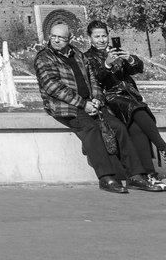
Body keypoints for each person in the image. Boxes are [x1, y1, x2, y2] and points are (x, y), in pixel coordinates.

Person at [34, 22, 158, 193]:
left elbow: (93, 79)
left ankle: (136, 176)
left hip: (90, 103)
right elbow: (52, 86)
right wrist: (83, 104)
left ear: (69, 39)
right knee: (90, 128)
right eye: (53, 36)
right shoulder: (44, 57)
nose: (56, 40)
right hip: (65, 106)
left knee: (119, 128)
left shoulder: (77, 54)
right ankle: (106, 177)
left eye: (61, 38)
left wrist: (97, 99)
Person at [85, 20, 166, 182]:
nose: (102, 40)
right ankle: (165, 150)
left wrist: (129, 58)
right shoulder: (87, 57)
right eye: (97, 36)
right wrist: (107, 65)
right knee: (137, 109)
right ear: (90, 38)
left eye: (104, 36)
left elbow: (137, 69)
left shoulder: (114, 52)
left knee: (137, 127)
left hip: (130, 96)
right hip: (110, 98)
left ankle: (149, 174)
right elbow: (95, 80)